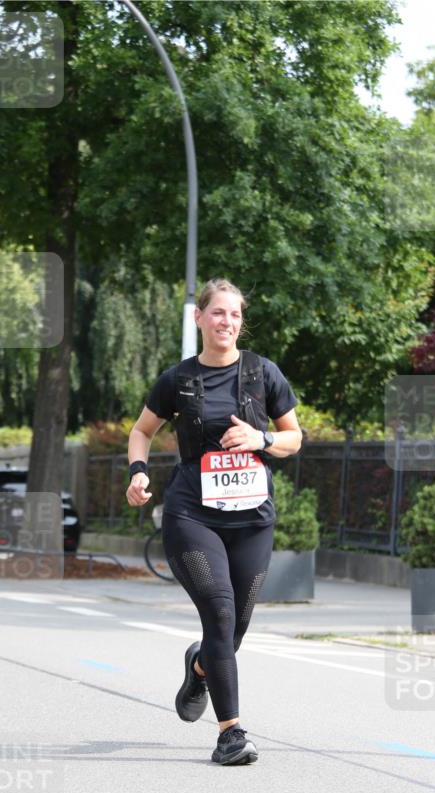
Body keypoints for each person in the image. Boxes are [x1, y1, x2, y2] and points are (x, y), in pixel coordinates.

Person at [126, 278, 302, 765]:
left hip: (251, 519)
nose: (227, 322)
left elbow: (294, 438)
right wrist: (138, 472)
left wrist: (261, 438)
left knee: (235, 628)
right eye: (218, 313)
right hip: (192, 515)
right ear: (199, 318)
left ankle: (200, 666)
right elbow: (141, 432)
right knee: (221, 614)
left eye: (236, 315)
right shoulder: (178, 380)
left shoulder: (263, 373)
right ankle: (230, 734)